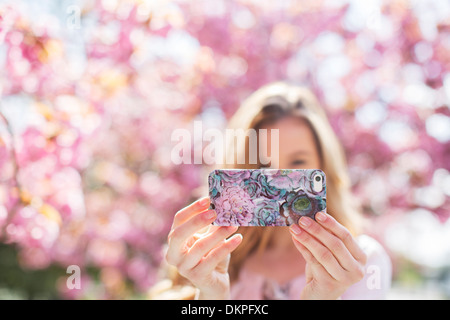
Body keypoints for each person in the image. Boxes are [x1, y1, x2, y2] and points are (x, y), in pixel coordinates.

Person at [161, 82, 392, 300]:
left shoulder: (361, 263)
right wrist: (211, 296)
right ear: (241, 171)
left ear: (323, 168)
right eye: (264, 166)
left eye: (298, 162)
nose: (280, 182)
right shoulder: (207, 258)